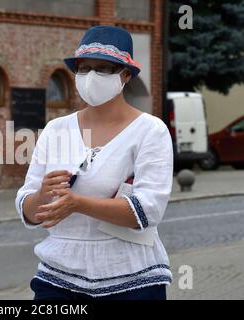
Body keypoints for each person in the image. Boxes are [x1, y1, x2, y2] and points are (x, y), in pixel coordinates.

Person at [15, 25, 174, 300]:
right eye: (84, 67)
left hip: (131, 278)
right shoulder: (56, 130)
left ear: (125, 75)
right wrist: (42, 194)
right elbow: (28, 211)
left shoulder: (150, 130)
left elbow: (147, 211)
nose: (90, 76)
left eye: (103, 68)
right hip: (59, 277)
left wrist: (78, 203)